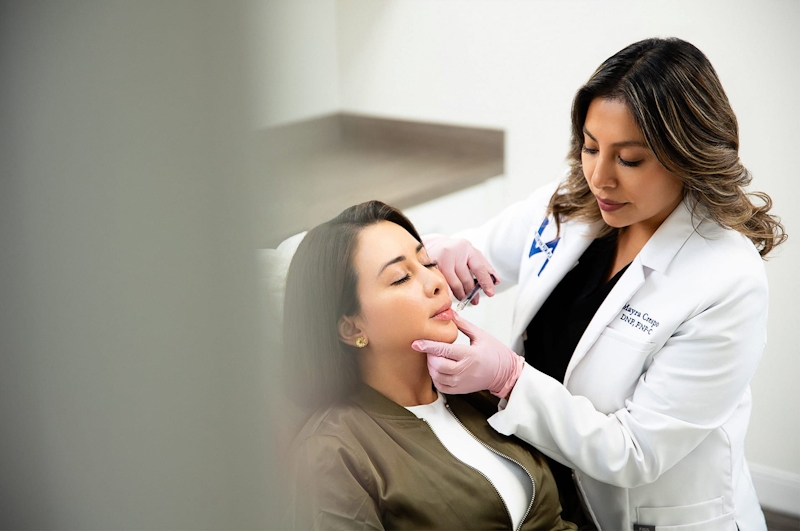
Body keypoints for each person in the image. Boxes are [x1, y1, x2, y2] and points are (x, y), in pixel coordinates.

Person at [412, 37, 787, 531]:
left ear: (687, 155)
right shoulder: (570, 206)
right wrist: (438, 251)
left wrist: (508, 379)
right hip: (552, 499)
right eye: (590, 148)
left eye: (629, 160)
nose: (599, 177)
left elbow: (635, 453)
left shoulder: (726, 278)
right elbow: (473, 254)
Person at [280, 201, 577, 530]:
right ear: (351, 328)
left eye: (428, 262)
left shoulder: (480, 396)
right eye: (400, 278)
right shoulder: (332, 453)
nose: (436, 283)